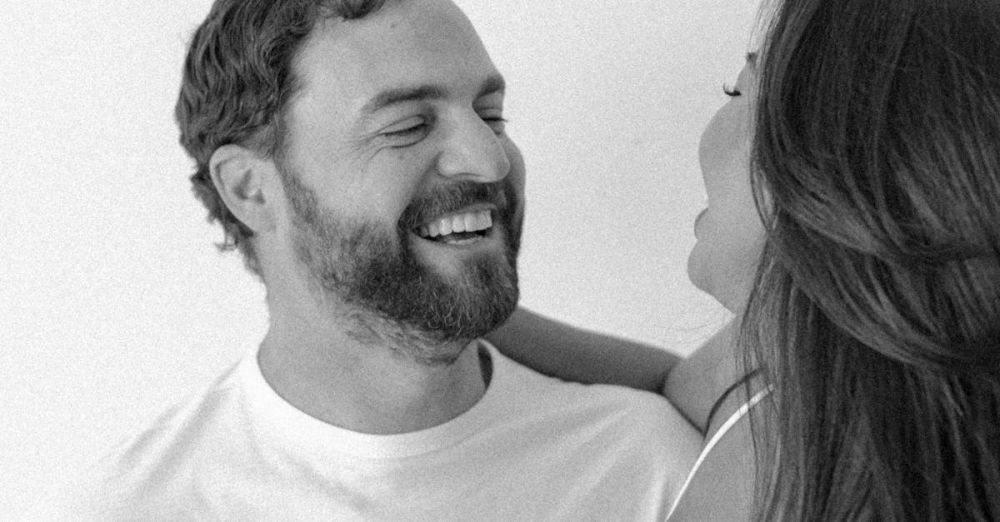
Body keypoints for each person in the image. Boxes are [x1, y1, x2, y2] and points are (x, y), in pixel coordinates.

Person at [31, 0, 701, 520]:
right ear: (249, 189)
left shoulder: (650, 469)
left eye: (490, 115)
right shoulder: (135, 510)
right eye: (407, 126)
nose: (491, 160)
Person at [492, 0, 1000, 519]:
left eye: (738, 92)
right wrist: (469, 313)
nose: (710, 128)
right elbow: (673, 382)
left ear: (834, 166)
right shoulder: (784, 358)